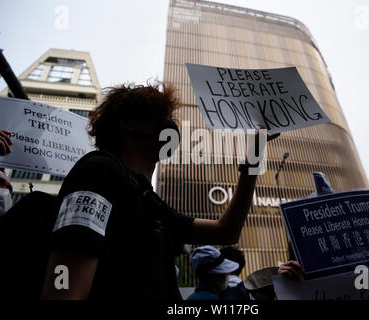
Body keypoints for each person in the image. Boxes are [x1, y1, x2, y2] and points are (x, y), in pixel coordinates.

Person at [41, 82, 280, 300]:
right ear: (128, 122)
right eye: (162, 116)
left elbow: (226, 232)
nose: (171, 125)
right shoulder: (98, 171)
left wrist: (255, 155)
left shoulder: (151, 204)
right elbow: (64, 286)